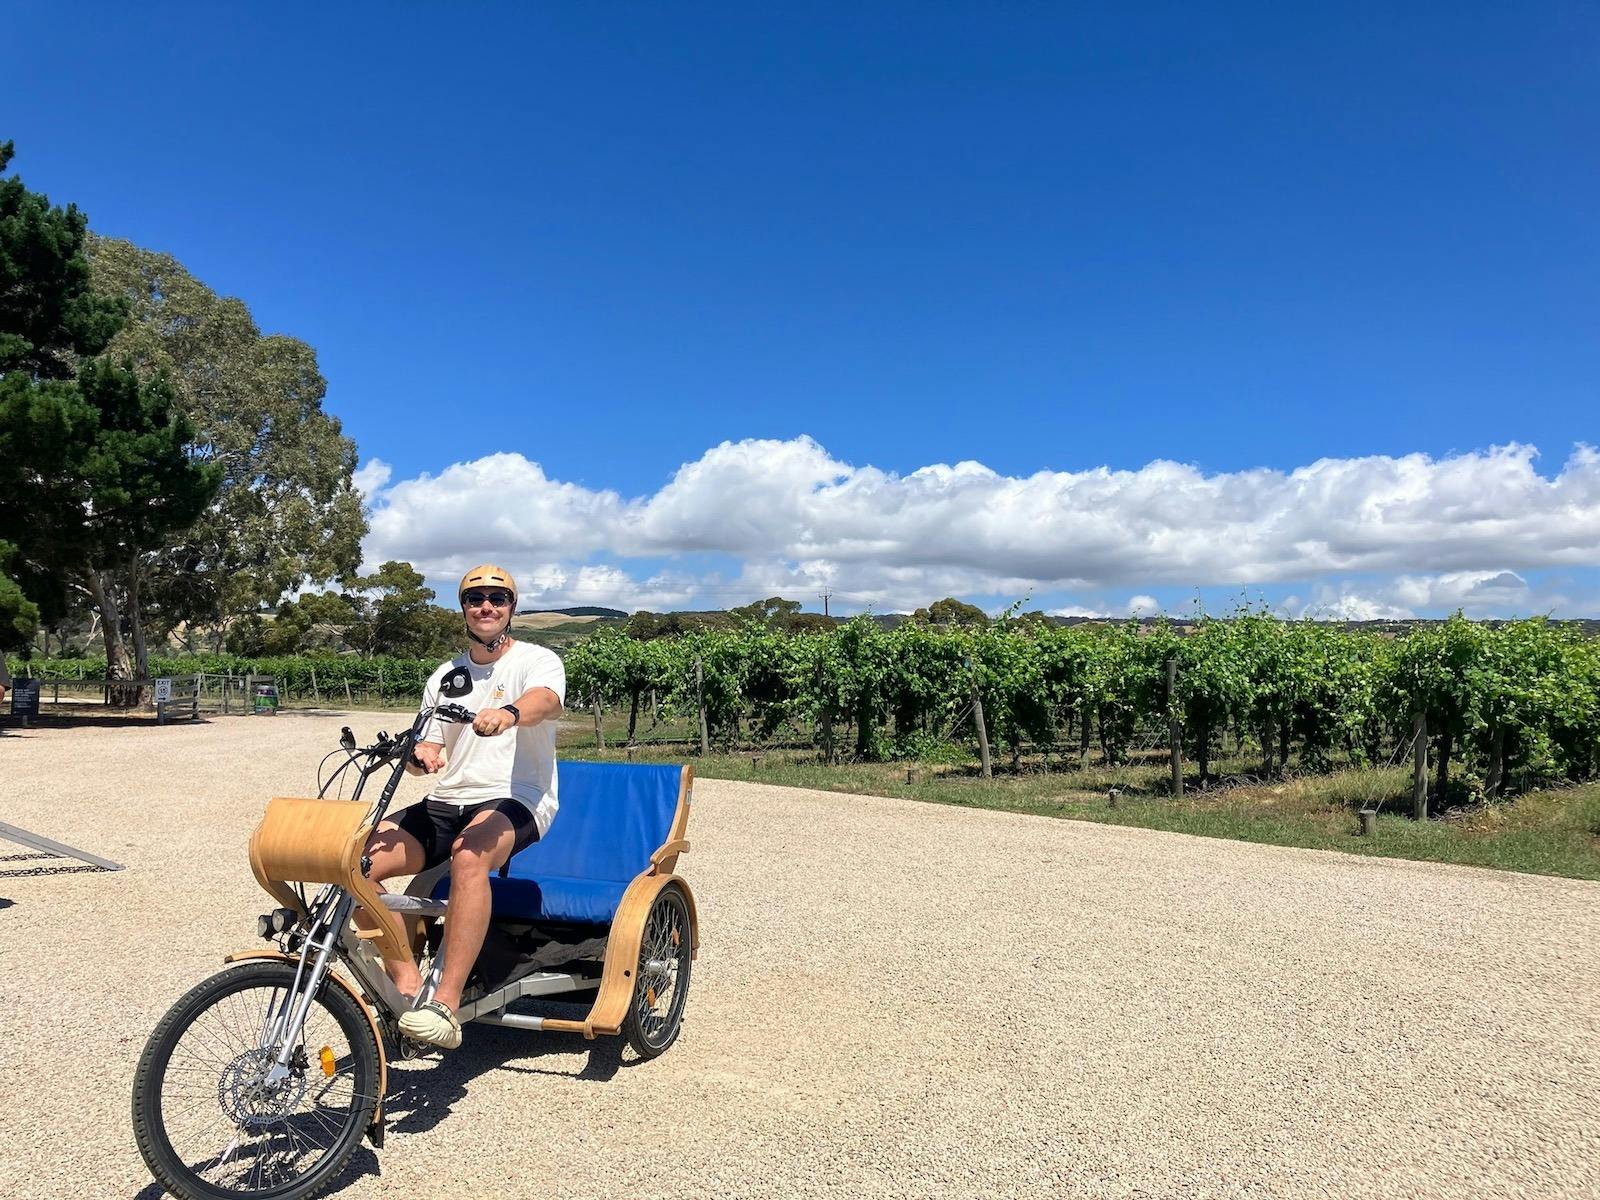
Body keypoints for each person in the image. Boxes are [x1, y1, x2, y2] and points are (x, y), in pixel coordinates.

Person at [363, 564, 566, 1049]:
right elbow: (426, 748)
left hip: (518, 796)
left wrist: (509, 713)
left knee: (469, 854)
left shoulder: (537, 660)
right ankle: (409, 984)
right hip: (449, 797)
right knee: (355, 861)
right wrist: (421, 755)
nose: (486, 607)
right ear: (464, 609)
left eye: (497, 598)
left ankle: (445, 1006)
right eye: (475, 599)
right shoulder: (446, 675)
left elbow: (546, 701)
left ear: (512, 607)